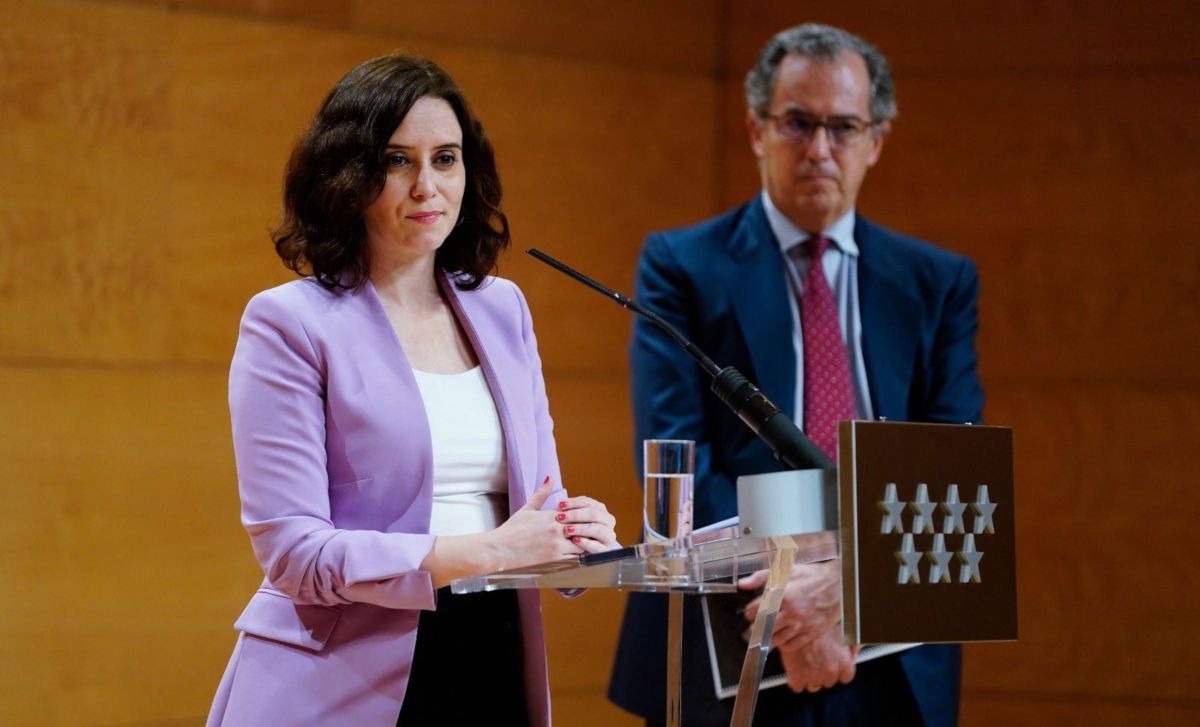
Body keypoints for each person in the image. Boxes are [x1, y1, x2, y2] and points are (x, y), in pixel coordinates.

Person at [204, 53, 619, 727]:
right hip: (343, 676)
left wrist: (576, 535)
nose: (428, 185)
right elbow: (297, 553)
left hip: (492, 655)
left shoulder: (501, 307)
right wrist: (489, 550)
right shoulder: (289, 322)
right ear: (349, 176)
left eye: (446, 158)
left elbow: (538, 501)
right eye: (398, 161)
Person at [608, 23, 983, 727]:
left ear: (877, 140)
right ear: (757, 129)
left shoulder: (938, 282)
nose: (819, 150)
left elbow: (952, 474)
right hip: (734, 631)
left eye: (843, 127)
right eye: (798, 123)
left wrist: (850, 594)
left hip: (898, 655)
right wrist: (794, 593)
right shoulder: (681, 266)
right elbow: (681, 466)